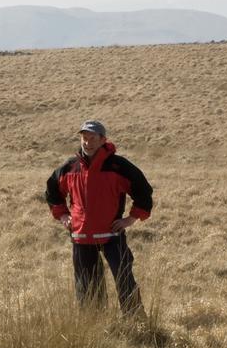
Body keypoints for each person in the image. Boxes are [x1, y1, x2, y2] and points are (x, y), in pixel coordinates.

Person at [44, 119, 153, 312]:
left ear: (103, 139)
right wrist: (62, 216)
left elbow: (143, 191)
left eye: (92, 138)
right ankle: (94, 326)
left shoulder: (119, 166)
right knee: (86, 289)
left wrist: (131, 218)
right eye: (84, 138)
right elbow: (53, 191)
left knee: (124, 281)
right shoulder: (70, 168)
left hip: (112, 236)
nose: (87, 142)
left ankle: (137, 325)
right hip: (81, 236)